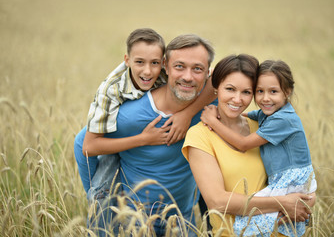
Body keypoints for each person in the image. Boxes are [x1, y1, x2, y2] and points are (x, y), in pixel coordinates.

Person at [74, 33, 216, 236]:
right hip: (135, 221)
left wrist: (187, 114)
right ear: (167, 66)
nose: (187, 76)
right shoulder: (120, 101)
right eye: (179, 67)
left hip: (182, 220)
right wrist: (99, 195)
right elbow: (84, 143)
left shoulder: (212, 100)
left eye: (198, 69)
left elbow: (225, 74)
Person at [182, 55, 316, 237]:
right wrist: (283, 202)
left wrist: (307, 198)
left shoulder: (262, 126)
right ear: (216, 88)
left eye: (246, 92)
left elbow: (292, 171)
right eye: (230, 89)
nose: (237, 99)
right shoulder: (200, 136)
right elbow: (218, 202)